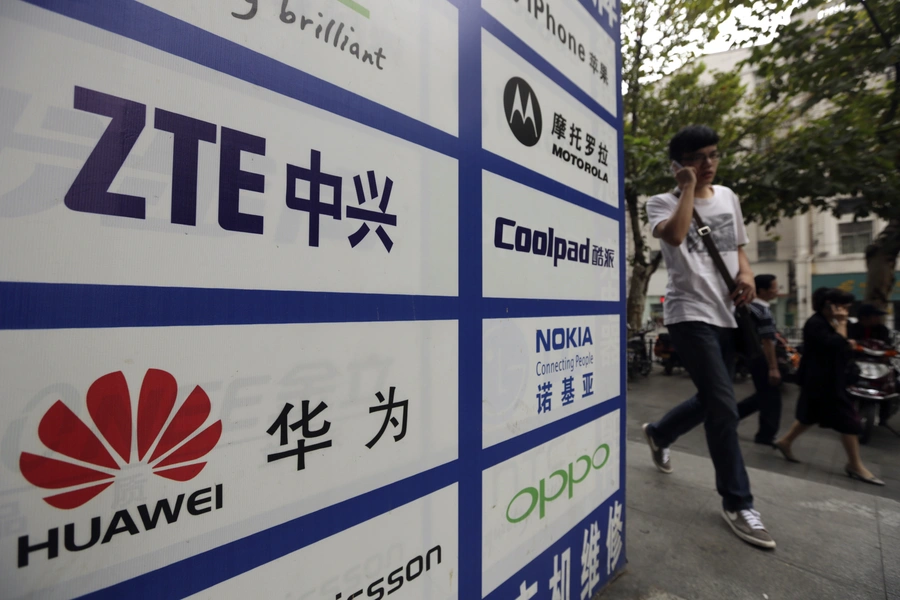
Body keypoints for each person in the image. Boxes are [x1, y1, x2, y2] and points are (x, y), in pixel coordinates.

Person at [641, 125, 775, 549]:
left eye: (714, 155)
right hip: (688, 313)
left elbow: (737, 247)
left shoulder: (729, 197)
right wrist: (686, 190)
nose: (709, 164)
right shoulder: (659, 202)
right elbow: (677, 236)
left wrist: (749, 275)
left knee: (714, 397)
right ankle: (738, 502)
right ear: (679, 164)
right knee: (723, 406)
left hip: (728, 313)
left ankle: (661, 433)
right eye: (699, 158)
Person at [773, 288, 884, 486]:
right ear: (828, 305)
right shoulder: (815, 323)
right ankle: (855, 464)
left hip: (829, 378)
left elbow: (842, 344)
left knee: (810, 415)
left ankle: (786, 441)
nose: (845, 311)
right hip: (823, 381)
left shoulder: (828, 322)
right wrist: (842, 326)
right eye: (841, 306)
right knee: (850, 421)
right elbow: (835, 344)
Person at [735, 274, 783, 446]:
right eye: (774, 287)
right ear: (762, 290)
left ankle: (731, 416)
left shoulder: (746, 307)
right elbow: (767, 340)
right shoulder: (762, 310)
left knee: (763, 395)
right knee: (771, 397)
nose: (777, 290)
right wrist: (773, 367)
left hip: (750, 356)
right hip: (762, 357)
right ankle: (765, 435)